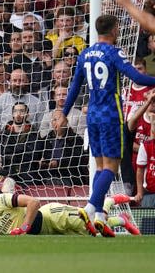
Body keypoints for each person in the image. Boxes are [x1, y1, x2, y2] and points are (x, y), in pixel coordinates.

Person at [54, 14, 155, 237]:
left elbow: (74, 87)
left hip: (93, 115)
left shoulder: (85, 54)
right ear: (114, 30)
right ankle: (90, 207)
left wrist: (63, 113)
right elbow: (135, 78)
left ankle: (100, 216)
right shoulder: (113, 52)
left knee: (100, 167)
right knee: (111, 167)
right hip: (111, 115)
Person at [0, 185, 139, 235]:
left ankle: (107, 202)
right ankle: (122, 220)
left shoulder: (0, 200)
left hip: (51, 216)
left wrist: (24, 227)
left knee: (91, 224)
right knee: (94, 234)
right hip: (46, 233)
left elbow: (34, 202)